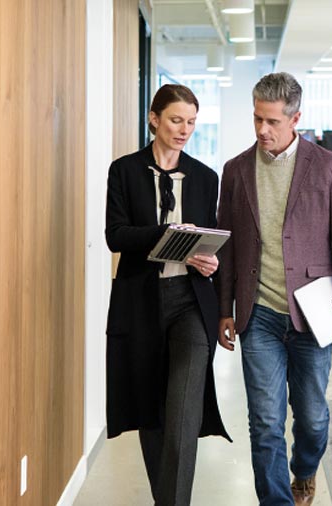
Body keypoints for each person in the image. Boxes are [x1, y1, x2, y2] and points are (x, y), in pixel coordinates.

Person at [215, 72, 332, 505]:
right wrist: (224, 308)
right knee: (265, 422)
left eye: (272, 121)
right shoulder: (235, 170)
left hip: (313, 314)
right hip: (258, 314)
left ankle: (304, 469)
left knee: (312, 418)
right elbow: (227, 245)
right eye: (257, 119)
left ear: (295, 119)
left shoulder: (327, 166)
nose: (262, 130)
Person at [105, 83, 230, 506]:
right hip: (139, 303)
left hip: (190, 302)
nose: (184, 130)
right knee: (151, 410)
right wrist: (169, 235)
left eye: (191, 122)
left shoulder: (205, 177)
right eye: (176, 120)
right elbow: (116, 236)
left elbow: (208, 239)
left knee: (183, 413)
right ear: (154, 119)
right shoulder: (124, 171)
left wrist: (207, 261)